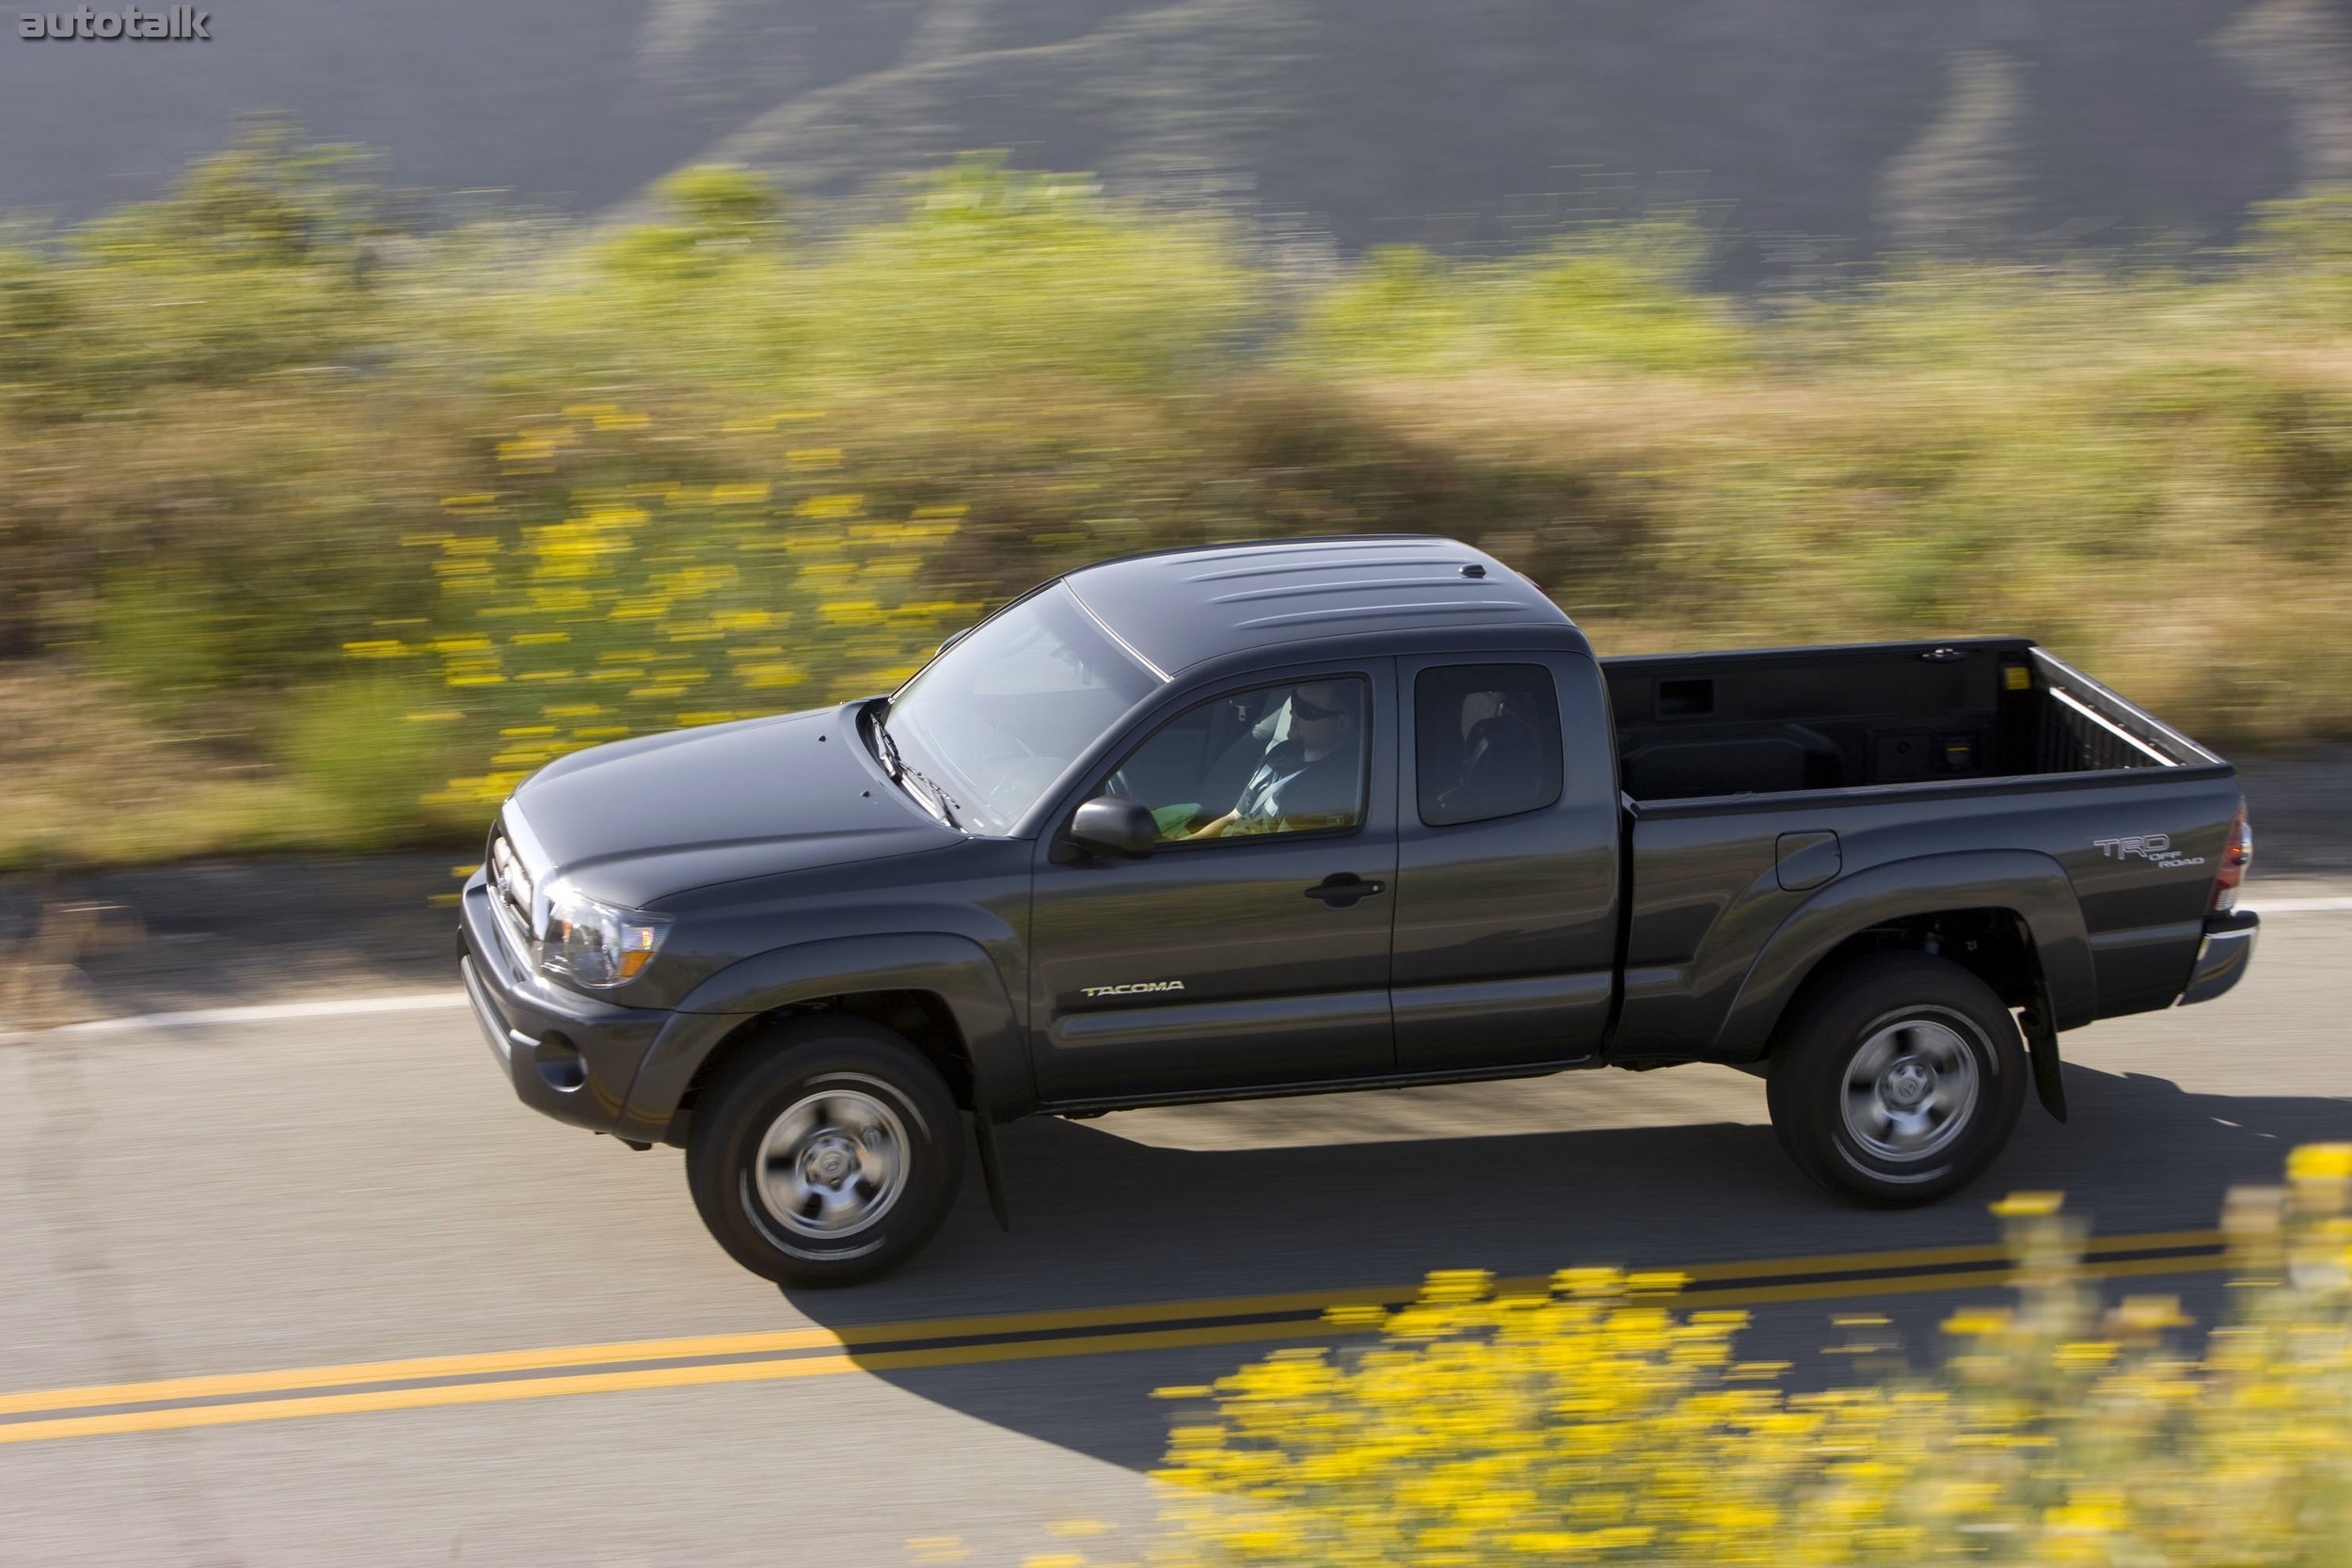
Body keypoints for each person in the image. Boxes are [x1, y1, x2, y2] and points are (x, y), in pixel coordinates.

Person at [1188, 681, 1363, 837]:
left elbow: (1278, 860)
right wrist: (1188, 844)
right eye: (1295, 700)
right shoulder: (1282, 752)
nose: (1292, 711)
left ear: (1342, 723)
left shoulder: (1324, 793)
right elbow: (1234, 816)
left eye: (1306, 710)